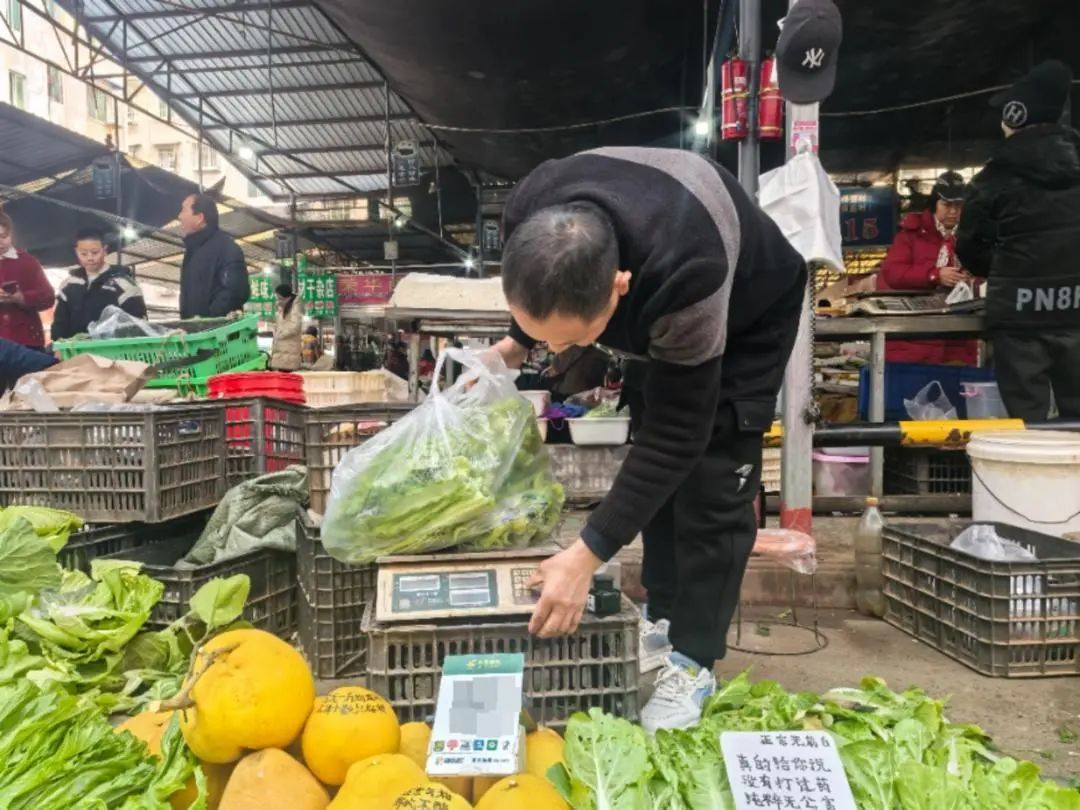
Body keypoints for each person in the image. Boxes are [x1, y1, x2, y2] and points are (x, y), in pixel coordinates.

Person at [493, 147, 806, 732]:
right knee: (655, 468)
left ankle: (693, 660)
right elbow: (542, 290)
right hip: (657, 306)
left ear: (619, 287)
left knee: (710, 474)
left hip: (747, 314)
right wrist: (511, 347)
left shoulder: (691, 273)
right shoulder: (529, 209)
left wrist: (587, 553)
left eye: (567, 341)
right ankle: (662, 619)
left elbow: (676, 439)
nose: (556, 355)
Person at [956, 60, 1080, 420]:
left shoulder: (993, 178)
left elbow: (971, 250)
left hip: (1019, 319)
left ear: (1014, 115)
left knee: (1029, 427)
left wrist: (1011, 268)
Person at [879, 172, 977, 365]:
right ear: (934, 204)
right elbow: (893, 273)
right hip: (915, 337)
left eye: (958, 205)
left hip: (957, 338)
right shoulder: (911, 234)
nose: (953, 211)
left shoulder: (972, 235)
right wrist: (935, 275)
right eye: (946, 205)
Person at [51, 227, 147, 341]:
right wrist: (59, 344)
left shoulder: (123, 284)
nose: (90, 258)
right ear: (76, 252)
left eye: (95, 252)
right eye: (83, 253)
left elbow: (139, 325)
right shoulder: (68, 285)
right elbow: (60, 323)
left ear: (105, 250)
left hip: (113, 352)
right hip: (75, 351)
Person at [177, 193, 250, 319]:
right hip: (195, 334)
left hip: (216, 336)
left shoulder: (226, 248)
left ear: (199, 217)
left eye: (183, 210)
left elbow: (236, 292)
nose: (179, 216)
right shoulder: (192, 250)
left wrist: (208, 323)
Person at [0, 211, 54, 349]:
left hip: (26, 339)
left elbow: (48, 297)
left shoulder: (27, 261)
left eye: (4, 236)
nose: (1, 242)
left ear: (11, 234)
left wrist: (21, 298)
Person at [269, 284, 303, 371]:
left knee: (286, 380)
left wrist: (280, 335)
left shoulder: (295, 308)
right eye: (277, 298)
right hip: (282, 352)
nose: (278, 301)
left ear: (287, 297)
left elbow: (295, 327)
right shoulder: (283, 309)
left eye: (280, 298)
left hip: (289, 353)